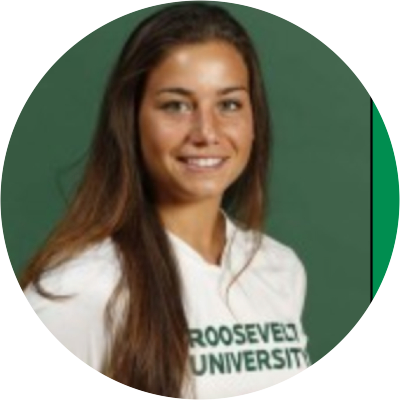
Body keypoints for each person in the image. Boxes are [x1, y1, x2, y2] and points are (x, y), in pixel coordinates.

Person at [19, 3, 311, 399]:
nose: (206, 132)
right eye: (176, 105)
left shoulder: (278, 268)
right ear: (130, 120)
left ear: (254, 121)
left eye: (229, 104)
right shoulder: (82, 288)